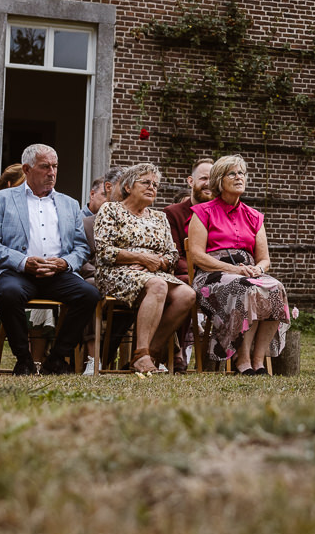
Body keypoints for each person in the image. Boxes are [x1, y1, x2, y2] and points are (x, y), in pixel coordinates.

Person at [0, 144, 99, 375]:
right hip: (17, 273)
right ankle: (23, 359)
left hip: (57, 274)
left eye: (55, 166)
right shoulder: (1, 199)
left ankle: (56, 358)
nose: (52, 172)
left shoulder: (69, 204)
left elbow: (81, 247)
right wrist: (23, 262)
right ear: (26, 169)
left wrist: (65, 263)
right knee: (9, 293)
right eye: (45, 167)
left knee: (89, 294)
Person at [186, 155, 291, 375]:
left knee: (275, 288)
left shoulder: (254, 216)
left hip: (248, 272)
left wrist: (258, 269)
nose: (238, 177)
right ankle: (241, 359)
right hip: (211, 275)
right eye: (232, 173)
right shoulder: (203, 212)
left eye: (241, 173)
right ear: (219, 180)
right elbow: (196, 255)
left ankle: (258, 360)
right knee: (246, 287)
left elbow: (265, 259)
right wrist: (234, 269)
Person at [93, 163, 196, 374]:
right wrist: (140, 257)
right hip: (116, 272)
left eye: (155, 185)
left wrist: (155, 262)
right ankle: (142, 355)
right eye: (146, 183)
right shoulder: (111, 210)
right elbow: (104, 251)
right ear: (129, 187)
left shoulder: (159, 217)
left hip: (153, 272)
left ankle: (151, 351)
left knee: (187, 294)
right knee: (158, 285)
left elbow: (172, 255)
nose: (152, 188)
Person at [160, 156, 212, 371]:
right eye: (203, 178)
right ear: (191, 181)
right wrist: (198, 269)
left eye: (213, 178)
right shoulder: (172, 213)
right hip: (187, 273)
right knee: (184, 286)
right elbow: (174, 253)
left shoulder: (220, 213)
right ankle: (177, 349)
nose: (208, 183)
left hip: (218, 273)